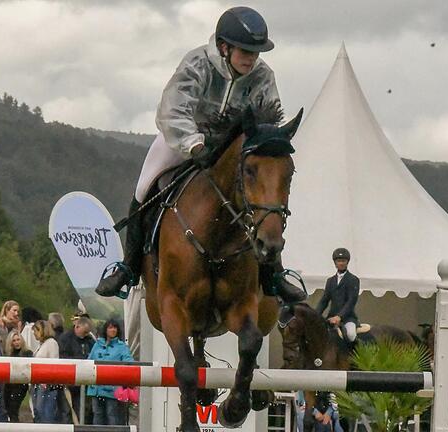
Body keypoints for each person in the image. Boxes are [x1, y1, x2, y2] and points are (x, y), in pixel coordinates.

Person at [95, 6, 306, 305]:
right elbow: (173, 110)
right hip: (183, 137)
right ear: (224, 47)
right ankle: (129, 267)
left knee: (262, 197)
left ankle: (273, 273)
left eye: (256, 52)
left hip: (234, 147)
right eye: (245, 51)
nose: (251, 58)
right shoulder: (197, 64)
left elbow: (267, 117)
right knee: (144, 188)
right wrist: (195, 145)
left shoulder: (263, 76)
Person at [87, 319, 134, 425]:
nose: (113, 330)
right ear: (106, 329)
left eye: (115, 327)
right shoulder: (97, 345)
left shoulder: (122, 347)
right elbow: (89, 361)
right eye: (110, 327)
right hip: (96, 388)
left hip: (113, 389)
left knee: (112, 415)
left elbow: (129, 361)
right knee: (97, 415)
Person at [316, 248, 360, 342]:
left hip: (348, 318)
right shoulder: (330, 281)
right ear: (335, 263)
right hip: (331, 317)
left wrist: (339, 317)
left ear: (347, 262)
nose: (341, 263)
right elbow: (324, 301)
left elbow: (351, 301)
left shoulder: (353, 280)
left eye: (343, 261)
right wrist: (315, 315)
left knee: (351, 334)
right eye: (339, 261)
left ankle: (353, 354)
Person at [59, 316, 96, 420]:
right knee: (67, 412)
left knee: (84, 411)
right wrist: (82, 359)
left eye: (87, 332)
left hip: (84, 382)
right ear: (77, 326)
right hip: (68, 381)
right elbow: (63, 358)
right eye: (84, 332)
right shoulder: (65, 339)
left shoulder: (89, 340)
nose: (85, 335)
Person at [31, 320, 60, 423]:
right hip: (37, 383)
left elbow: (54, 363)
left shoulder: (51, 343)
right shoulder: (41, 345)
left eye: (36, 331)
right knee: (38, 411)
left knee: (45, 412)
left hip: (46, 384)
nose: (34, 334)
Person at [3, 329, 32, 423]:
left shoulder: (28, 353)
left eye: (18, 339)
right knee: (9, 409)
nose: (16, 342)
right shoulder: (8, 355)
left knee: (13, 409)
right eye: (14, 340)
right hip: (9, 385)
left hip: (21, 385)